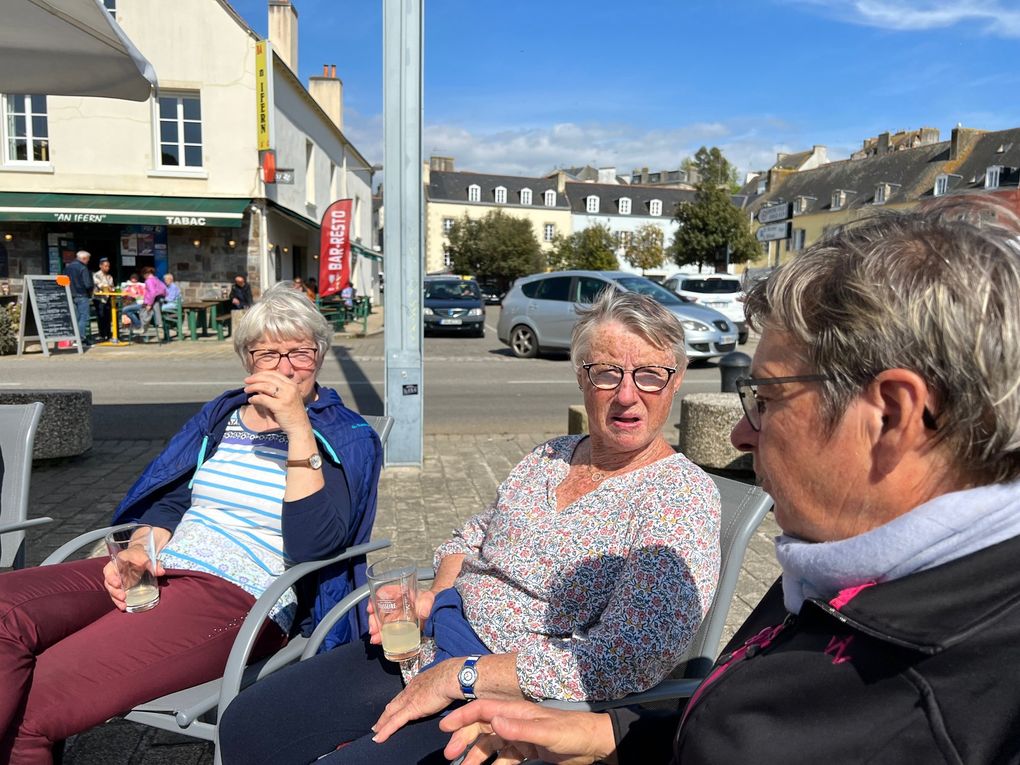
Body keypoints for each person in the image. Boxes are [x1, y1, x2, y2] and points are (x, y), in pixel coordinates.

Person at [441, 198, 1020, 765]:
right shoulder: (843, 564)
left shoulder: (925, 713)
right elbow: (711, 721)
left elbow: (657, 676)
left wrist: (477, 676)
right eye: (606, 374)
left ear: (891, 416)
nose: (741, 434)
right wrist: (610, 738)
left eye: (766, 398)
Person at [219, 289, 722, 765]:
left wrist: (459, 677)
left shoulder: (678, 498)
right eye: (607, 374)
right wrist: (432, 598)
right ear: (581, 378)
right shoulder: (549, 457)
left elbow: (630, 656)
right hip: (432, 644)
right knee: (247, 724)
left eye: (650, 375)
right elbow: (468, 539)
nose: (628, 396)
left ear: (676, 380)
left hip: (514, 696)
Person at [0, 283, 383, 764]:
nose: (285, 367)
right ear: (248, 359)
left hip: (239, 591)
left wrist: (298, 428)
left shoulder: (345, 435)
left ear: (320, 356)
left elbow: (316, 545)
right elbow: (170, 500)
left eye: (300, 353)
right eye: (268, 353)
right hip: (162, 566)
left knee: (36, 706)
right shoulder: (223, 418)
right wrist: (142, 546)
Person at [65, 250, 93, 346]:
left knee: (75, 317)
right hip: (81, 294)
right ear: (84, 258)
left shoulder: (68, 267)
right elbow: (87, 284)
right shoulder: (83, 268)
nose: (88, 262)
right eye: (88, 260)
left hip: (70, 294)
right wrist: (91, 290)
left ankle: (73, 339)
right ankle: (81, 339)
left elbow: (62, 280)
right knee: (83, 317)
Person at [136, 265, 167, 334]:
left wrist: (149, 304)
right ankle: (158, 323)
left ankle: (143, 328)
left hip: (153, 300)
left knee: (142, 311)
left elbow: (152, 293)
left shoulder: (148, 281)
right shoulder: (157, 280)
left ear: (145, 274)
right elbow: (164, 290)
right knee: (147, 311)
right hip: (160, 299)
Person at [91, 256, 114, 342]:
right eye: (105, 266)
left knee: (108, 316)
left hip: (107, 298)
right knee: (101, 316)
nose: (107, 268)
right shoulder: (96, 275)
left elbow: (112, 287)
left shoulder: (109, 276)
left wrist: (110, 288)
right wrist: (108, 288)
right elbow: (100, 285)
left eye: (108, 266)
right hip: (99, 298)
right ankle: (102, 334)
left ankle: (108, 334)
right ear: (100, 266)